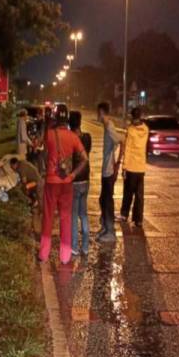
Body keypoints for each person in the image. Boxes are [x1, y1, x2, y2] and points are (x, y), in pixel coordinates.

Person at [39, 104, 88, 264]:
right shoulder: (73, 137)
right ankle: (65, 256)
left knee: (47, 217)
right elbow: (84, 159)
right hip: (67, 182)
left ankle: (44, 254)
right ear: (66, 119)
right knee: (66, 218)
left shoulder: (49, 134)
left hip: (51, 182)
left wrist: (48, 123)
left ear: (55, 118)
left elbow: (41, 146)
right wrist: (73, 174)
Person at [96, 102, 123, 243]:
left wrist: (118, 164)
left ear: (101, 112)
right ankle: (105, 227)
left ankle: (110, 232)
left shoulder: (110, 126)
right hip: (105, 170)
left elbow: (122, 140)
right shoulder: (106, 127)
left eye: (97, 113)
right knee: (103, 199)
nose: (97, 116)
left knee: (107, 201)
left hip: (109, 171)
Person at [118, 107, 149, 228]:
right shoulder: (146, 129)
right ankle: (138, 219)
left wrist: (124, 167)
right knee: (139, 195)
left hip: (131, 167)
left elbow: (128, 149)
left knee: (128, 193)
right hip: (141, 168)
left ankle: (124, 214)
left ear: (132, 117)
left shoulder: (130, 130)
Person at [69, 111, 91, 256]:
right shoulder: (88, 137)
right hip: (86, 179)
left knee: (74, 215)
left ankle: (74, 247)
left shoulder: (70, 138)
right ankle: (85, 246)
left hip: (75, 179)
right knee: (84, 214)